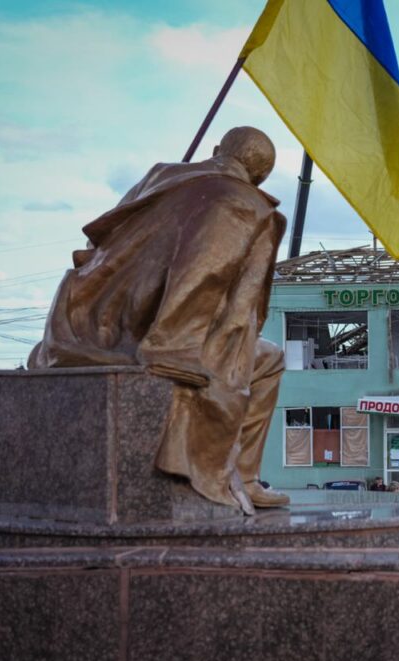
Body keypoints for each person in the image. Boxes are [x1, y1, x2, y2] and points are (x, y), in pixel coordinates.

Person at [29, 127, 289, 515]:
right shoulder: (246, 204)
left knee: (255, 355)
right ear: (260, 177)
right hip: (161, 330)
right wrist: (177, 346)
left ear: (217, 150)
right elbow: (209, 275)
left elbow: (96, 242)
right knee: (269, 360)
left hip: (80, 317)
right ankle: (245, 476)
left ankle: (247, 477)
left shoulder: (159, 175)